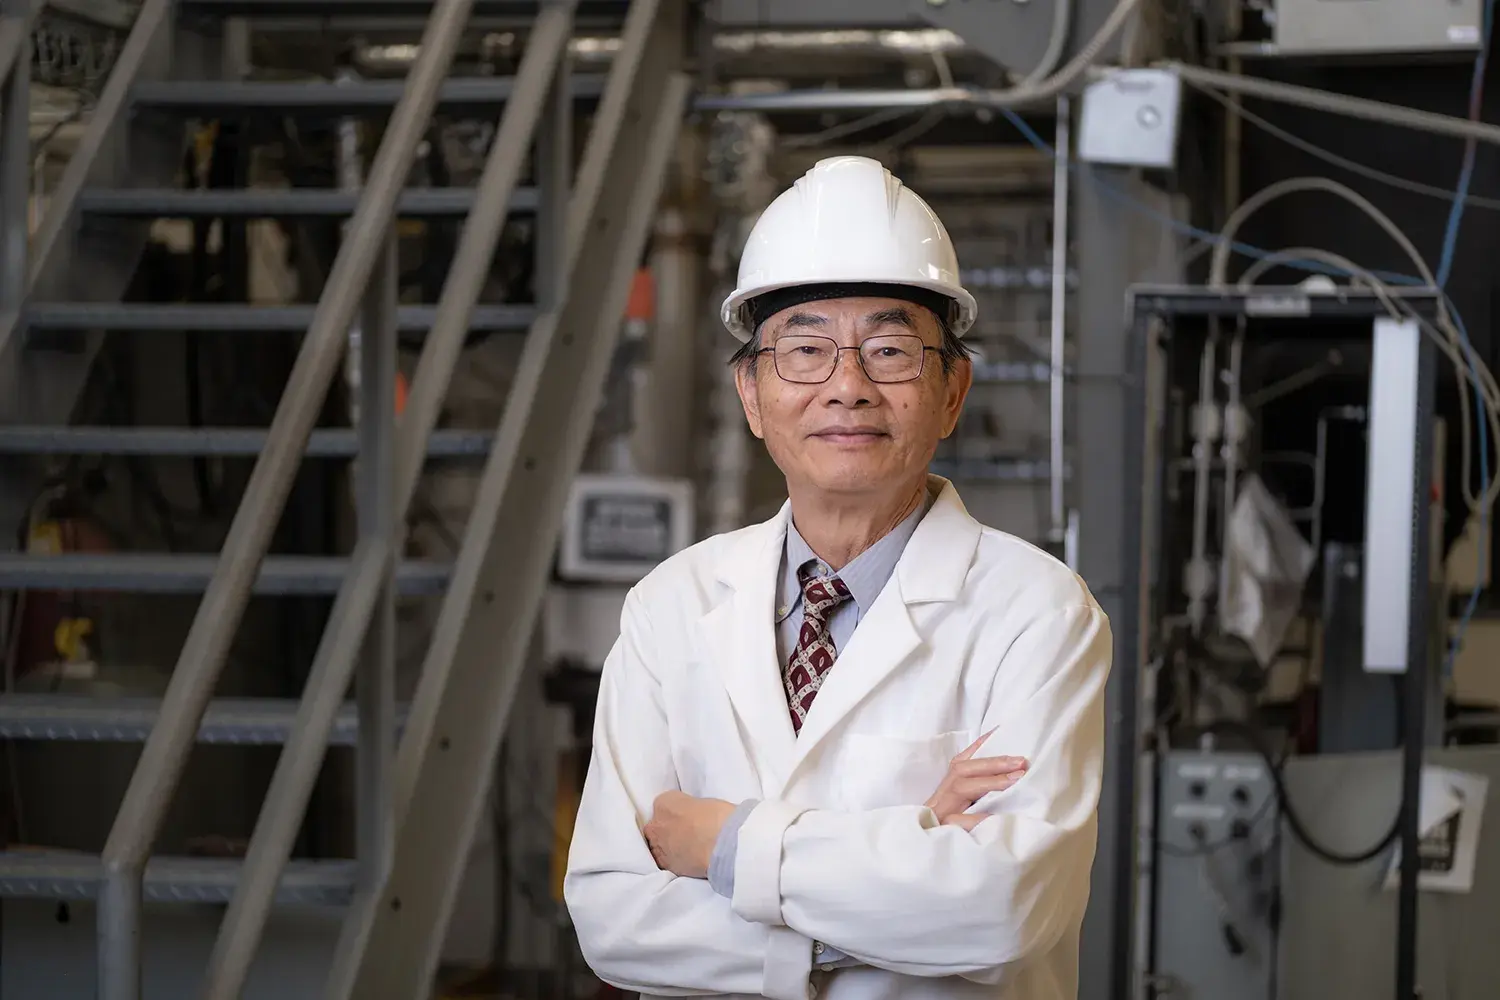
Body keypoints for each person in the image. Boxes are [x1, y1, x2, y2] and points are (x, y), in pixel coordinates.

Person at [564, 155, 1112, 1000]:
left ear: (952, 390)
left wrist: (726, 848)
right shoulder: (671, 606)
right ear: (751, 394)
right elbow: (612, 920)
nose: (847, 388)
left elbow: (1004, 910)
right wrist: (901, 868)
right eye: (806, 350)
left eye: (890, 350)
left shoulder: (1037, 612)